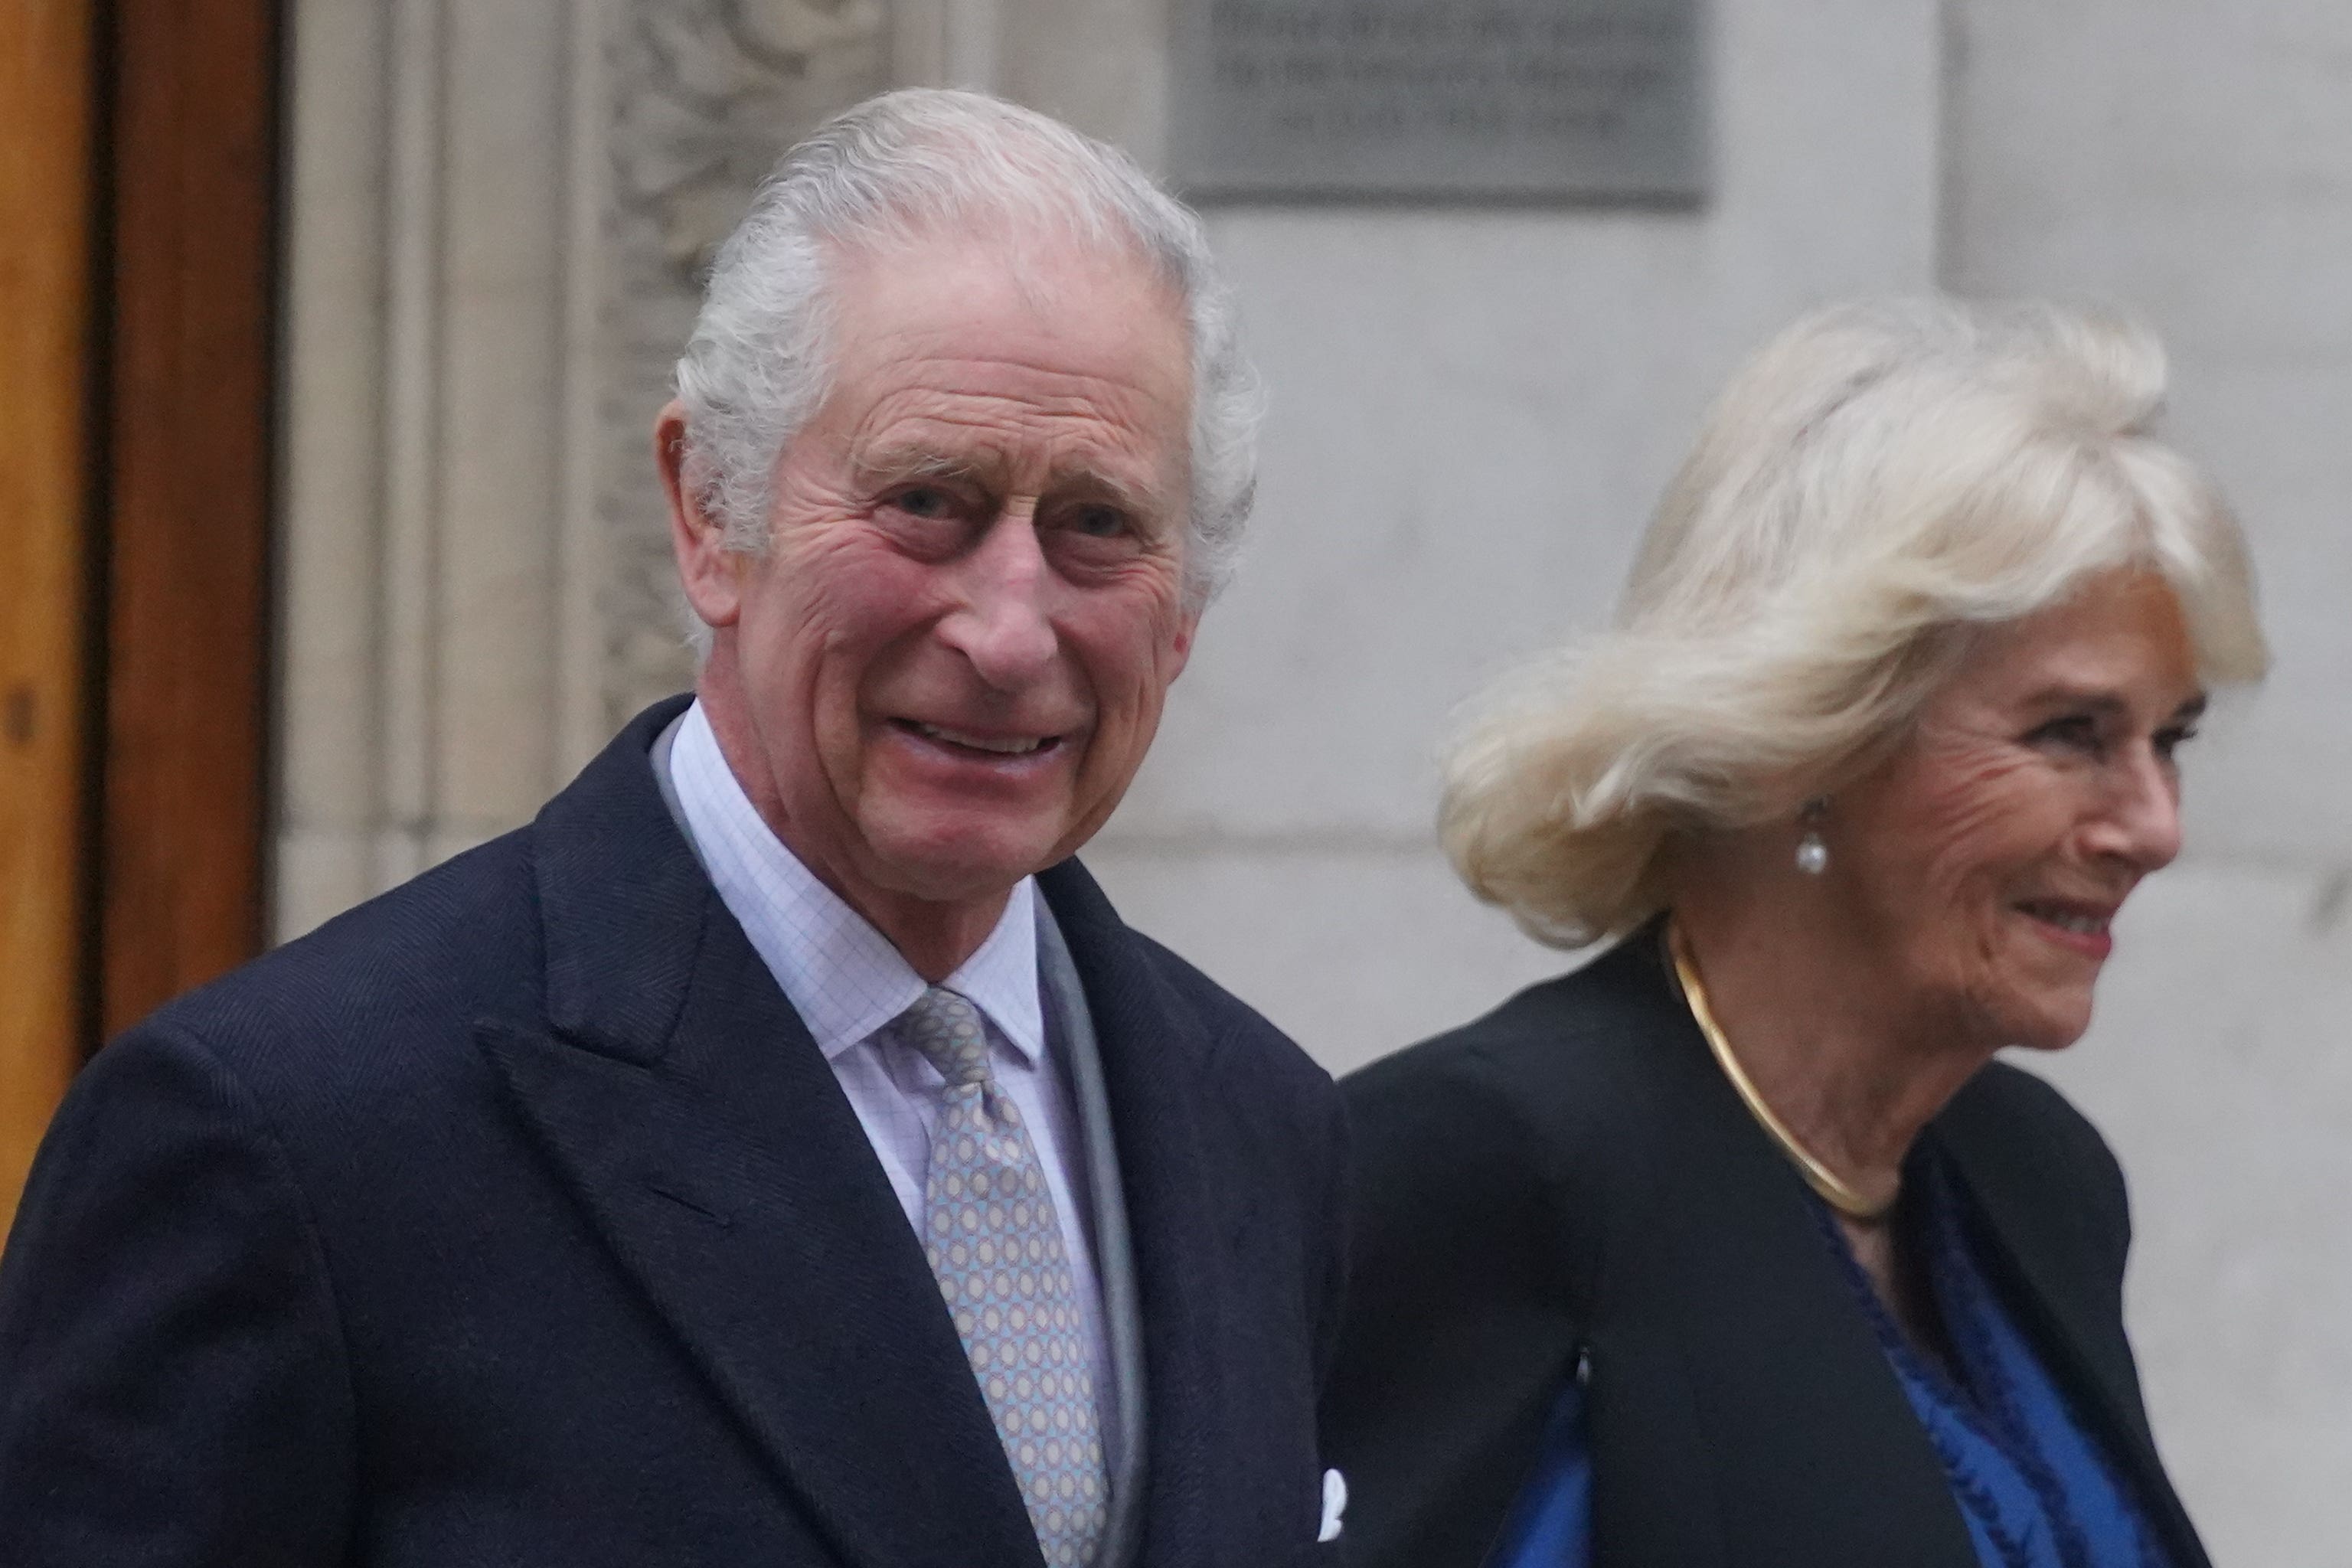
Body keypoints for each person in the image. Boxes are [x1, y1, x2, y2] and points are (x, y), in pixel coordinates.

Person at [0, 90, 1348, 1568]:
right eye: (926, 502)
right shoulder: (292, 1135)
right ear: (710, 513)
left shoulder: (1263, 1128)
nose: (1011, 629)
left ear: (1189, 608)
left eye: (1098, 524)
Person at [1321, 300, 2264, 1568]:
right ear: (1810, 739)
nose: (2153, 826)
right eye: (2071, 736)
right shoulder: (1489, 1165)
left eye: (2172, 741)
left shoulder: (2040, 1177)